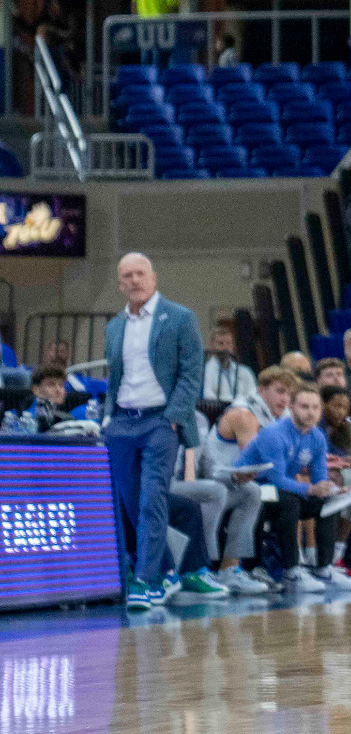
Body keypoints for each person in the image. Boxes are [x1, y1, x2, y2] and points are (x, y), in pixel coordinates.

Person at [103, 253, 204, 611]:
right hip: (121, 424)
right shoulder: (114, 326)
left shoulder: (179, 317)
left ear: (153, 277)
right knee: (130, 503)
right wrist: (107, 418)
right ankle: (167, 571)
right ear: (119, 284)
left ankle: (145, 582)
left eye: (140, 273)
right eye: (127, 275)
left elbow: (192, 373)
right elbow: (115, 376)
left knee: (151, 499)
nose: (134, 280)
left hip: (161, 421)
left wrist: (173, 419)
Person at [236, 385, 344, 592]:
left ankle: (324, 567)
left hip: (278, 490)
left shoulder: (318, 437)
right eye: (304, 406)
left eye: (315, 407)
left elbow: (319, 478)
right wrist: (311, 489)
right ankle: (291, 570)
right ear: (292, 407)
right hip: (252, 488)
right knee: (289, 500)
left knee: (328, 501)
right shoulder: (273, 433)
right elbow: (276, 479)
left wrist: (330, 489)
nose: (310, 412)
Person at [190, 404, 272, 592]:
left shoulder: (199, 420)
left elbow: (208, 467)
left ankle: (229, 569)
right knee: (215, 491)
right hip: (172, 485)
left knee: (251, 491)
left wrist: (234, 477)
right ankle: (202, 569)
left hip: (199, 484)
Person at [202, 324, 256, 406]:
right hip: (217, 413)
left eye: (228, 343)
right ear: (211, 346)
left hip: (244, 410)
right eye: (220, 343)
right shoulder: (205, 371)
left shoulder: (245, 371)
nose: (225, 347)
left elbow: (253, 394)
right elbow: (208, 395)